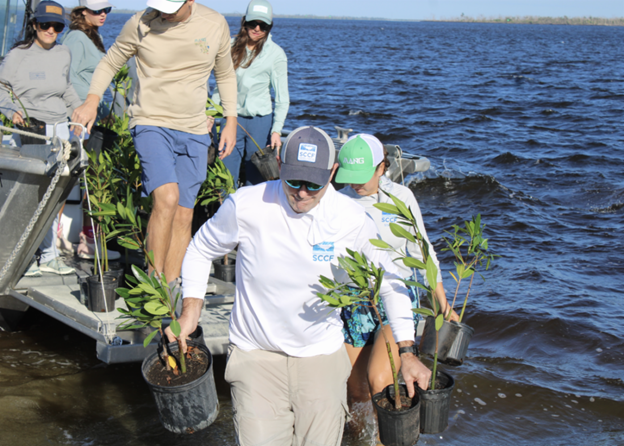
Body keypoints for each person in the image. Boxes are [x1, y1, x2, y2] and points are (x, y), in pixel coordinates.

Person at [166, 126, 432, 445]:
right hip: (255, 356)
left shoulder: (351, 219)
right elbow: (201, 248)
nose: (302, 193)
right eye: (293, 181)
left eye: (313, 184)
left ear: (332, 172)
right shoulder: (247, 205)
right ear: (279, 163)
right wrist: (190, 313)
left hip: (321, 357)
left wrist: (407, 351)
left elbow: (390, 282)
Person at [71, 0, 238, 283]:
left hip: (195, 128)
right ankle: (154, 284)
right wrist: (92, 99)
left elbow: (224, 73)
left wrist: (230, 121)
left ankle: (170, 292)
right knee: (167, 198)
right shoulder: (140, 23)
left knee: (185, 214)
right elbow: (111, 61)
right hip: (150, 122)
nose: (162, 11)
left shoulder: (214, 23)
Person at [334, 133, 459, 429]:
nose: (356, 183)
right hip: (356, 302)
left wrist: (443, 304)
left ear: (382, 167)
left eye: (363, 175)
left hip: (398, 297)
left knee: (379, 380)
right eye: (350, 175)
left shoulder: (401, 198)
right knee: (356, 391)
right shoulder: (337, 201)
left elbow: (424, 252)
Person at [0, 1, 82, 277]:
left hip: (61, 130)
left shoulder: (64, 52)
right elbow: (1, 88)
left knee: (55, 194)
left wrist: (80, 115)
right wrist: (11, 111)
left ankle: (48, 255)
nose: (50, 30)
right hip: (31, 131)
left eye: (57, 26)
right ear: (34, 25)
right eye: (45, 24)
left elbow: (67, 88)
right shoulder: (17, 56)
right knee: (32, 194)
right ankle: (25, 256)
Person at [61, 0, 118, 261]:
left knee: (93, 180)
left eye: (106, 10)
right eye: (97, 11)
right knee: (80, 179)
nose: (103, 14)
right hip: (82, 121)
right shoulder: (76, 38)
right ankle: (64, 237)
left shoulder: (92, 37)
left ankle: (86, 238)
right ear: (83, 12)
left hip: (95, 119)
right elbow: (67, 78)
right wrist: (80, 113)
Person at [212, 0, 289, 187]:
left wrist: (276, 130)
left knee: (256, 180)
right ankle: (225, 212)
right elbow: (219, 87)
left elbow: (282, 98)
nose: (257, 28)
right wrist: (210, 114)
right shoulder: (228, 47)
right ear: (244, 21)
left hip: (260, 122)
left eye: (263, 25)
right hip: (230, 119)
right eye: (252, 23)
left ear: (269, 27)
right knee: (225, 175)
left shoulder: (276, 55)